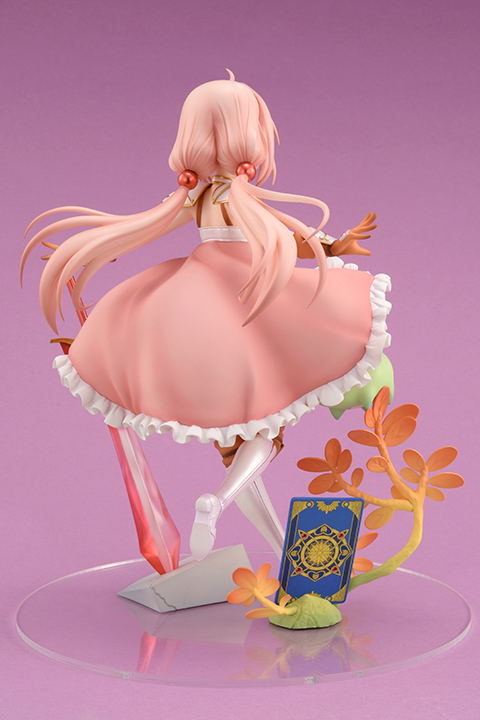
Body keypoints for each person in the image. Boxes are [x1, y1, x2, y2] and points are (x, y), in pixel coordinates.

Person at [21, 70, 393, 562]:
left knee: (245, 439)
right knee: (265, 433)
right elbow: (289, 237)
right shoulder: (238, 196)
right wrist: (334, 245)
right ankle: (217, 502)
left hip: (199, 309)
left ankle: (272, 543)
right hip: (249, 305)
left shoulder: (194, 197)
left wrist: (93, 251)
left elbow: (143, 228)